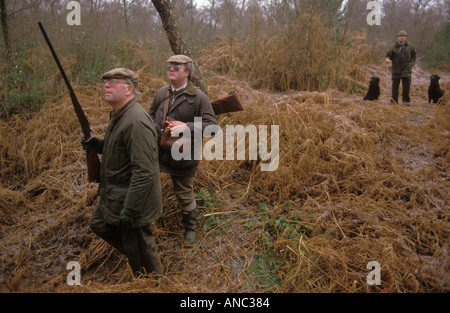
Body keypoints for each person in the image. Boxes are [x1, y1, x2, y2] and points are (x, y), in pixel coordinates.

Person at [82, 68, 163, 277]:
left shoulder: (135, 121)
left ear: (129, 89)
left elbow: (145, 172)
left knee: (141, 249)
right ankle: (137, 257)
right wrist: (98, 144)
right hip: (118, 195)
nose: (106, 85)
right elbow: (121, 148)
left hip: (133, 200)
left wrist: (131, 210)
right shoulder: (121, 115)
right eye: (106, 81)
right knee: (99, 224)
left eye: (113, 81)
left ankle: (154, 284)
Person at [149, 55, 217, 247]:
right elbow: (151, 114)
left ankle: (190, 229)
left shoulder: (199, 97)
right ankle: (152, 221)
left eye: (176, 67)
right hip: (158, 152)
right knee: (148, 188)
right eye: (169, 65)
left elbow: (212, 126)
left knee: (185, 195)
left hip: (184, 156)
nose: (171, 69)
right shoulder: (161, 92)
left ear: (186, 72)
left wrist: (187, 126)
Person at [385, 30, 417, 105]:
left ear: (406, 37)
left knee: (406, 86)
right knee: (395, 86)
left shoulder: (410, 46)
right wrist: (388, 59)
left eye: (404, 36)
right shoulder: (393, 47)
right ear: (398, 37)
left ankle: (406, 101)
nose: (402, 37)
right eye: (400, 36)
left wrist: (411, 63)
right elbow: (388, 55)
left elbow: (414, 56)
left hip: (407, 69)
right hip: (396, 69)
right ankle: (394, 101)